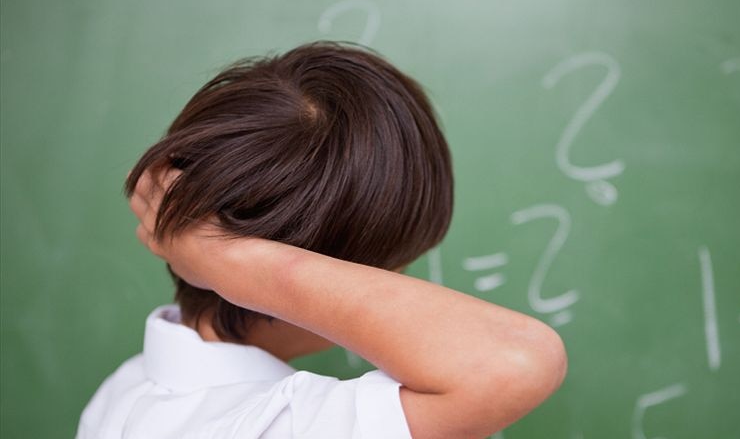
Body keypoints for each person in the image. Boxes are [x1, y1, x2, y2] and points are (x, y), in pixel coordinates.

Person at [76, 41, 567, 439]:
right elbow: (515, 360)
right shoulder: (279, 426)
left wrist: (207, 241)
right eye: (387, 269)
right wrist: (223, 254)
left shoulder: (129, 387)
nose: (397, 280)